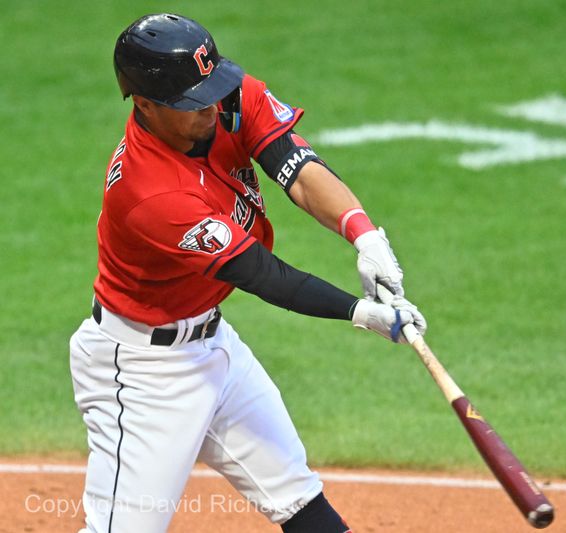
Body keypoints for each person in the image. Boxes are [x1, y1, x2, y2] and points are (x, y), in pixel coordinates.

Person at [69, 13, 426, 533]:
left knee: (301, 501)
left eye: (211, 89)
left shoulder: (225, 98)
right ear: (144, 104)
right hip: (143, 373)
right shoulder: (150, 193)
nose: (212, 107)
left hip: (214, 346)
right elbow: (262, 274)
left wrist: (365, 236)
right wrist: (362, 312)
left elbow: (296, 168)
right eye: (192, 103)